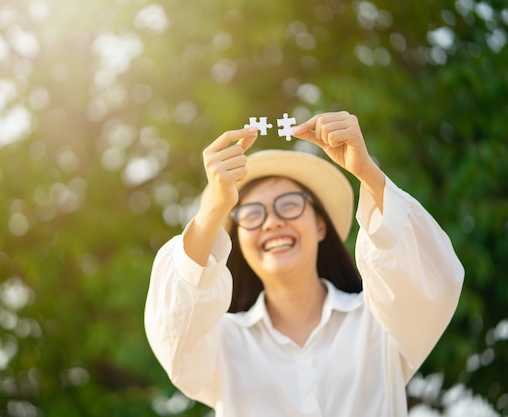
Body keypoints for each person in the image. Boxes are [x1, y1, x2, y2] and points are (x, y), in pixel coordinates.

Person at [144, 111, 464, 417]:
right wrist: (214, 210)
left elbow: (434, 279)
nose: (271, 223)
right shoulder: (224, 344)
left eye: (289, 205)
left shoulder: (381, 321)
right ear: (238, 239)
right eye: (252, 214)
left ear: (320, 225)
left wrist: (367, 171)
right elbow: (174, 334)